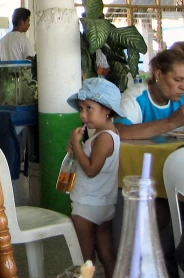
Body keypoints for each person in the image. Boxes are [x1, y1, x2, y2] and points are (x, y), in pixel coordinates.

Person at [66, 78, 122, 278]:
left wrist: (77, 143)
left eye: (89, 108)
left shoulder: (104, 137)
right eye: (81, 109)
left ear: (107, 110)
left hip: (87, 205)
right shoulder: (109, 134)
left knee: (86, 259)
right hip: (103, 203)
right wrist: (77, 150)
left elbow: (91, 170)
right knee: (107, 255)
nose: (83, 115)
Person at [115, 49, 184, 140]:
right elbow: (119, 131)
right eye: (177, 80)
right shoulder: (136, 97)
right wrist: (171, 122)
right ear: (158, 74)